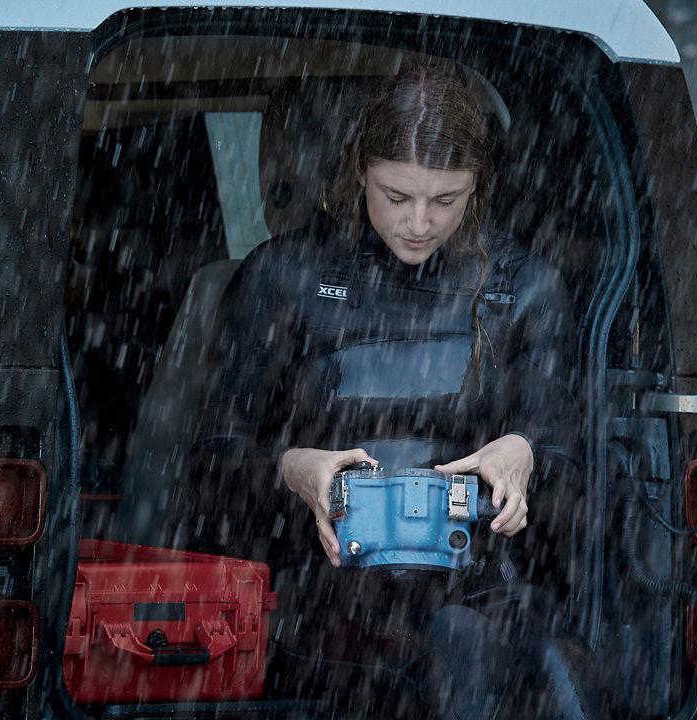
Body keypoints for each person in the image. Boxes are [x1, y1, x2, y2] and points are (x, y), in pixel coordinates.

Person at [192, 64, 590, 717]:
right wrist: (292, 469)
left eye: (447, 200)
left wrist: (525, 452)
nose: (420, 223)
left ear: (478, 187)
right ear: (358, 172)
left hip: (475, 607)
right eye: (396, 196)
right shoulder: (283, 277)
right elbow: (209, 463)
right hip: (311, 598)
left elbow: (571, 469)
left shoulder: (526, 288)